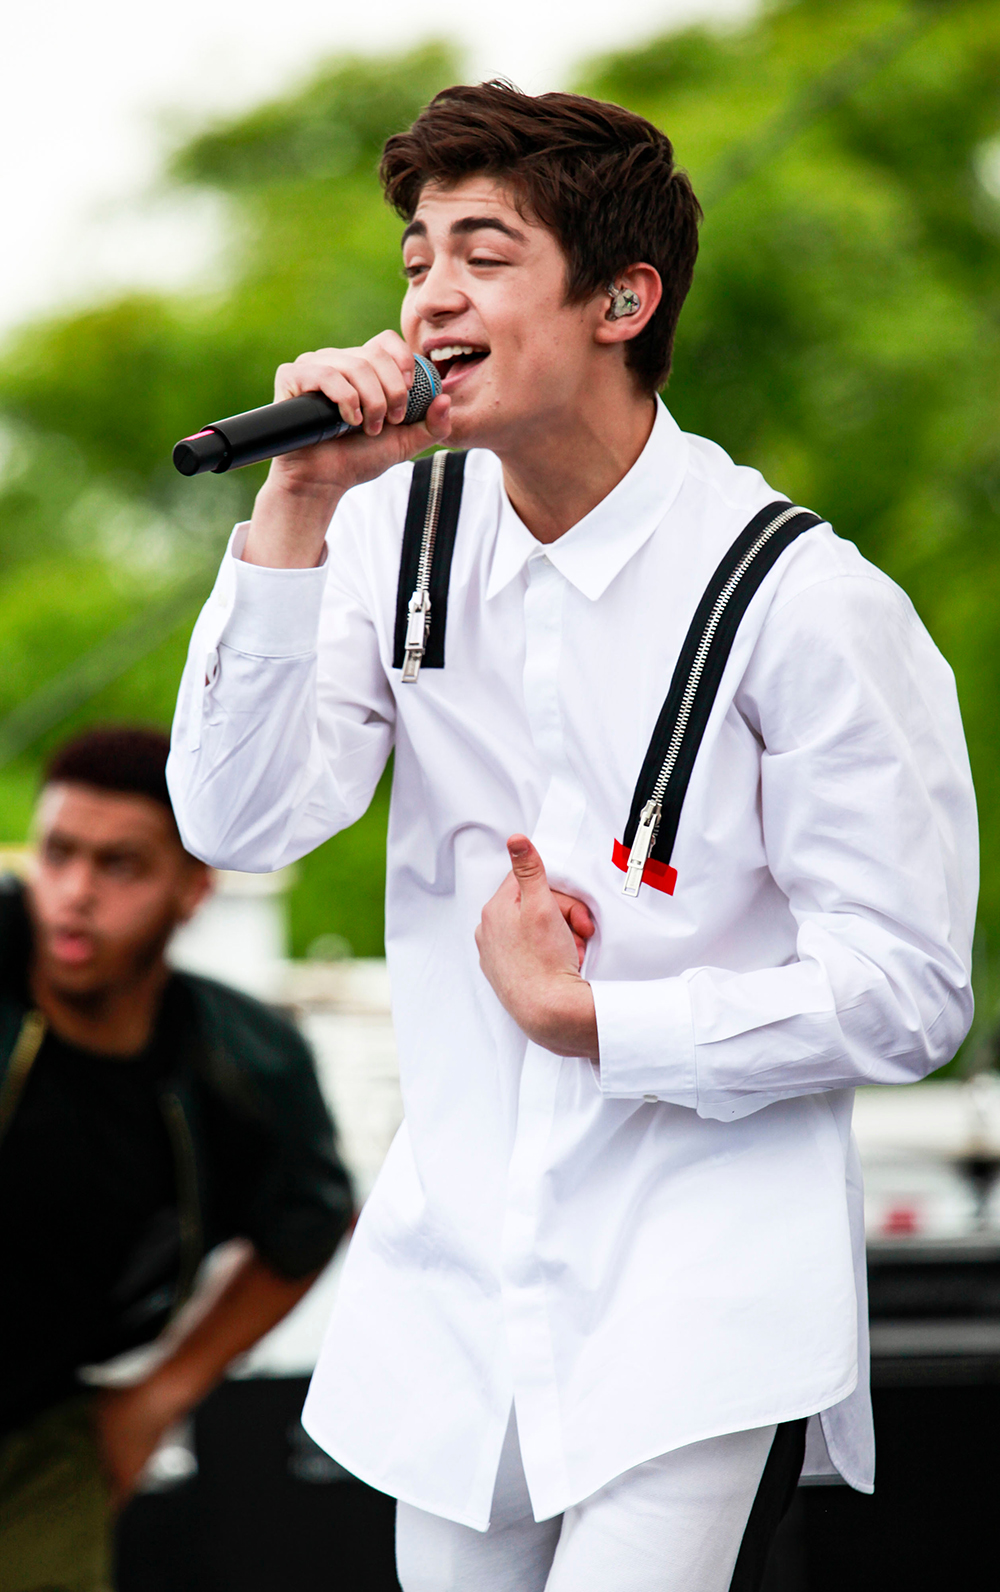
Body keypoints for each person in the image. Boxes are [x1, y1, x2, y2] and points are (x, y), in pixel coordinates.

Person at [166, 82, 977, 1592]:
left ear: (623, 298)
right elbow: (238, 816)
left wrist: (597, 1021)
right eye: (414, 259)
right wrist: (292, 507)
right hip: (463, 1286)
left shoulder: (808, 603)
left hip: (698, 1284)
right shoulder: (382, 527)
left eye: (483, 251)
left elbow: (912, 988)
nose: (430, 295)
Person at [0, 725, 352, 1592]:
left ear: (196, 888)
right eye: (59, 853)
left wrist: (159, 1397)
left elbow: (309, 1221)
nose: (74, 894)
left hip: (37, 1434)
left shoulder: (240, 1058)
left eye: (120, 865)